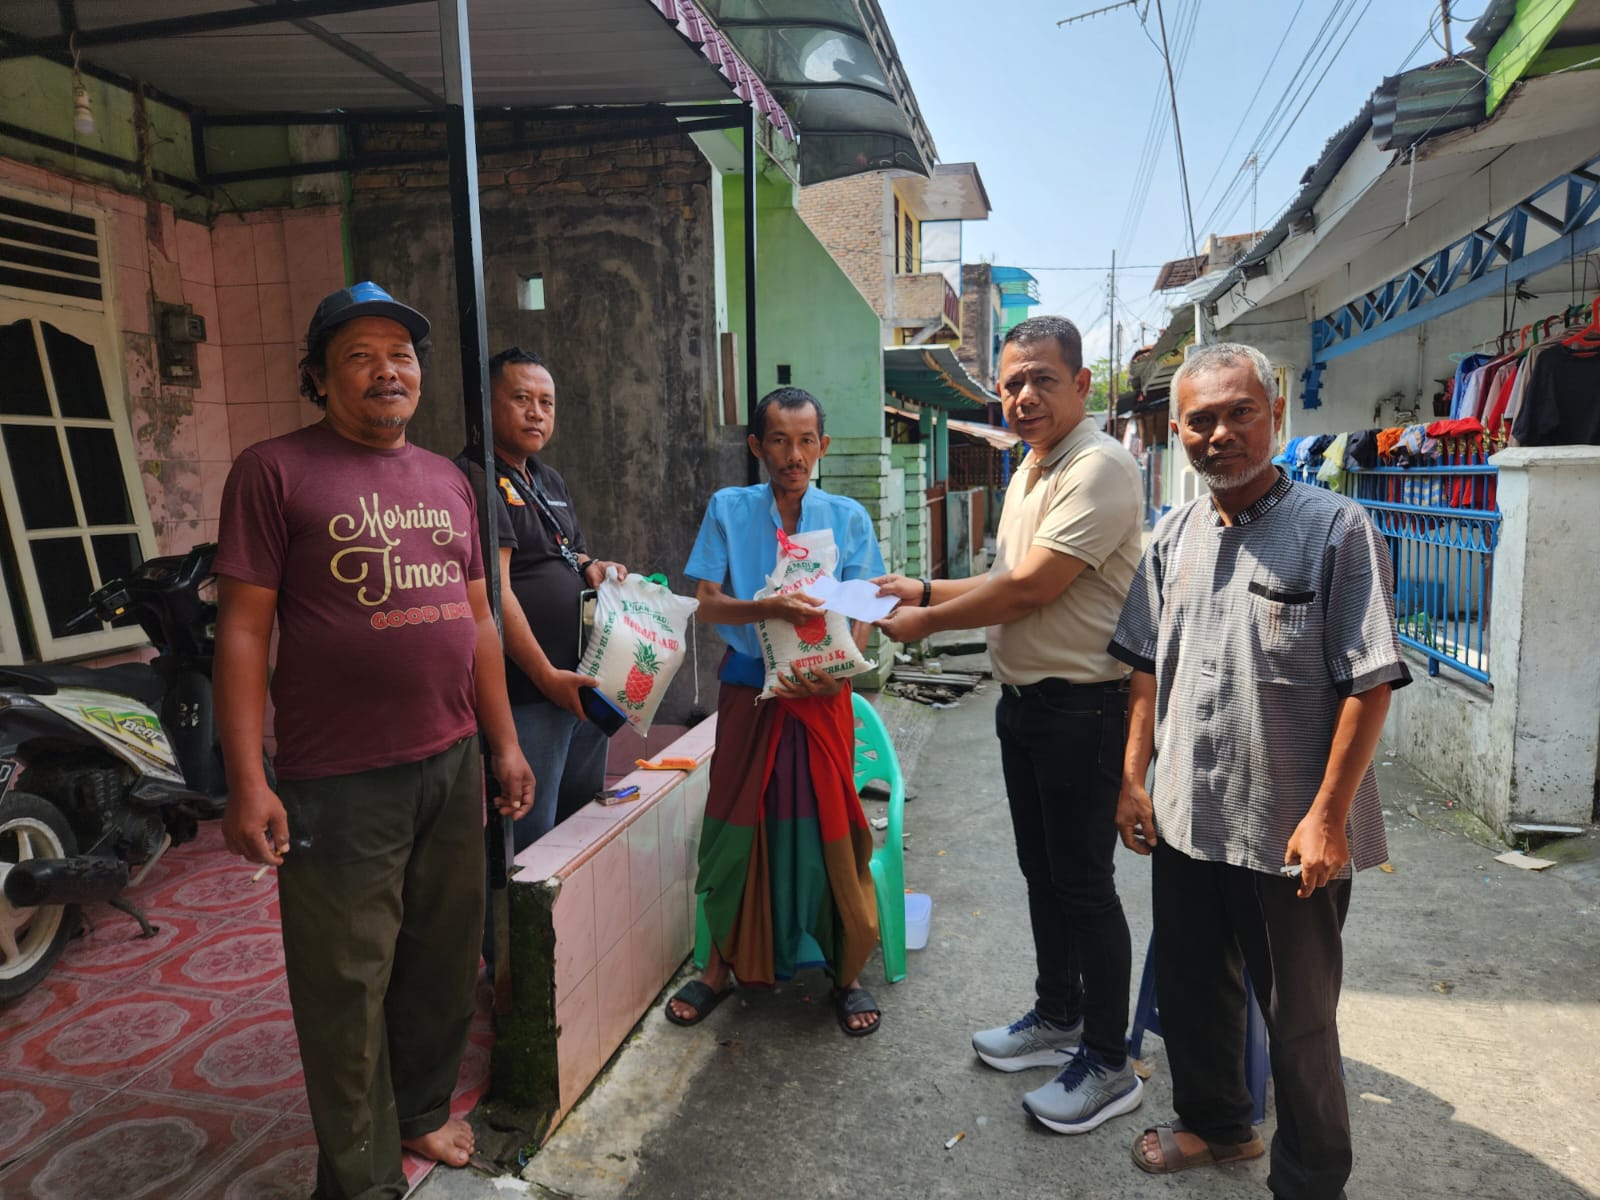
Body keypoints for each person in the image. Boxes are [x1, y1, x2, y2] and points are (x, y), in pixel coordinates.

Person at [214, 282, 535, 1200]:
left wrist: (502, 744)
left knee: (440, 959)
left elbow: (477, 619)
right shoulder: (273, 471)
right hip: (339, 779)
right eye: (359, 355)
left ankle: (425, 1110)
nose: (387, 369)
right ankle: (357, 1179)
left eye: (401, 353)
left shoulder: (450, 480)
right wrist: (247, 779)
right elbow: (241, 630)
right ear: (318, 377)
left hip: (451, 758)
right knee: (346, 985)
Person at [1109, 342, 1409, 1196]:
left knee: (1300, 1021)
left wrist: (1327, 817)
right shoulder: (1171, 537)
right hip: (1187, 814)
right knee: (1197, 990)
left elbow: (1370, 682)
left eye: (1240, 412)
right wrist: (1135, 778)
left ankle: (1312, 1179)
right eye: (1200, 419)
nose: (1221, 433)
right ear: (1178, 432)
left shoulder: (1335, 530)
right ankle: (1219, 1125)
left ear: (1274, 415)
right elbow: (1143, 667)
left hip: (1287, 828)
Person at [876, 315, 1144, 1132]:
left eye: (1042, 380)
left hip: (1083, 708)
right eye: (1012, 383)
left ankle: (1108, 1060)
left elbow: (1030, 589)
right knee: (1042, 874)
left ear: (1081, 386)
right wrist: (920, 589)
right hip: (1025, 706)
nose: (1024, 396)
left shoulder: (1099, 467)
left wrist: (926, 621)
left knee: (1085, 887)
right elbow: (1000, 576)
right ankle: (1057, 1014)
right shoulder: (1032, 468)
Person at [663, 386, 884, 1037]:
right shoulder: (729, 509)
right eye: (780, 440)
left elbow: (867, 611)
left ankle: (847, 972)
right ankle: (720, 967)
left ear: (823, 445)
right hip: (747, 693)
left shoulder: (847, 518)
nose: (794, 455)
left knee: (832, 826)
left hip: (822, 700)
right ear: (757, 446)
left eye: (806, 440)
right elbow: (705, 602)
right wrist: (769, 610)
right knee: (737, 826)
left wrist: (832, 670)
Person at [455, 347, 627, 851]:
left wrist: (594, 565)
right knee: (532, 835)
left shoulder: (547, 479)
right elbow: (495, 592)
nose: (537, 412)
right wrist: (546, 677)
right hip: (529, 690)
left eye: (547, 403)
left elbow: (569, 552)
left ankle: (569, 928)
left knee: (577, 820)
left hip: (583, 680)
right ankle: (523, 930)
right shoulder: (475, 479)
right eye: (522, 399)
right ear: (487, 406)